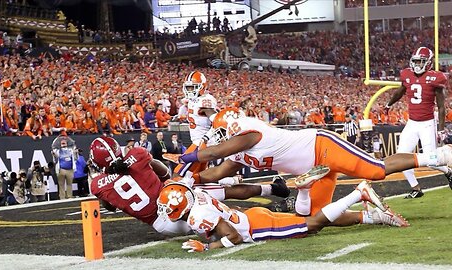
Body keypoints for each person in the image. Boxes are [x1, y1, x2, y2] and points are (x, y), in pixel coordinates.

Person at [176, 107, 452, 218]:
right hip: (313, 172)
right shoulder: (236, 149)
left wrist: (187, 157)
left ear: (232, 128)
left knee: (375, 169)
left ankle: (439, 156)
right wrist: (190, 180)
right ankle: (374, 217)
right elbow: (217, 171)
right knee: (312, 218)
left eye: (223, 133)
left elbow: (211, 155)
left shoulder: (249, 133)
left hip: (322, 147)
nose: (220, 139)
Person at [88, 137, 290, 235]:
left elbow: (111, 206)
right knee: (225, 197)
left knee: (223, 217)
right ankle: (274, 191)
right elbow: (158, 166)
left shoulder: (97, 185)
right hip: (175, 199)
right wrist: (168, 177)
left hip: (164, 226)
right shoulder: (137, 154)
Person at [157, 181, 408, 253]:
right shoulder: (195, 195)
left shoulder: (196, 216)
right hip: (252, 216)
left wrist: (208, 246)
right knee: (308, 224)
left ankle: (358, 193)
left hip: (256, 227)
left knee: (312, 225)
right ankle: (374, 217)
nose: (166, 211)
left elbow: (232, 237)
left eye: (167, 207)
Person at [385, 47, 451, 198]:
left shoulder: (436, 78)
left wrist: (441, 130)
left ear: (428, 63)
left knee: (431, 161)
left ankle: (448, 172)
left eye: (420, 61)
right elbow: (400, 91)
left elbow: (441, 107)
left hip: (427, 123)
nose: (417, 65)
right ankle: (416, 188)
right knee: (401, 157)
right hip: (412, 123)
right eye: (415, 61)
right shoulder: (407, 74)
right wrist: (389, 105)